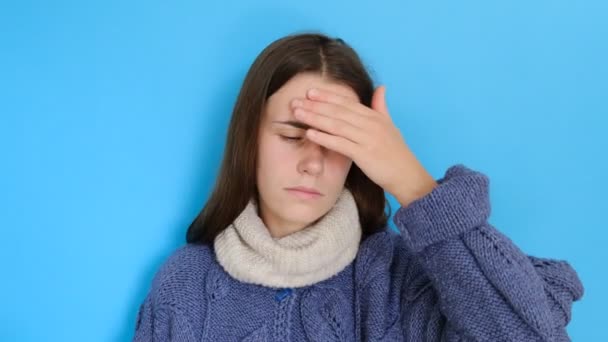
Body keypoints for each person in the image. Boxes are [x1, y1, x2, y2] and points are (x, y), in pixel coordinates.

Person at [132, 32, 584, 341]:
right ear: (248, 138)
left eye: (337, 141)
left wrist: (412, 182)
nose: (312, 163)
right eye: (292, 136)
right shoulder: (185, 285)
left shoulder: (396, 278)